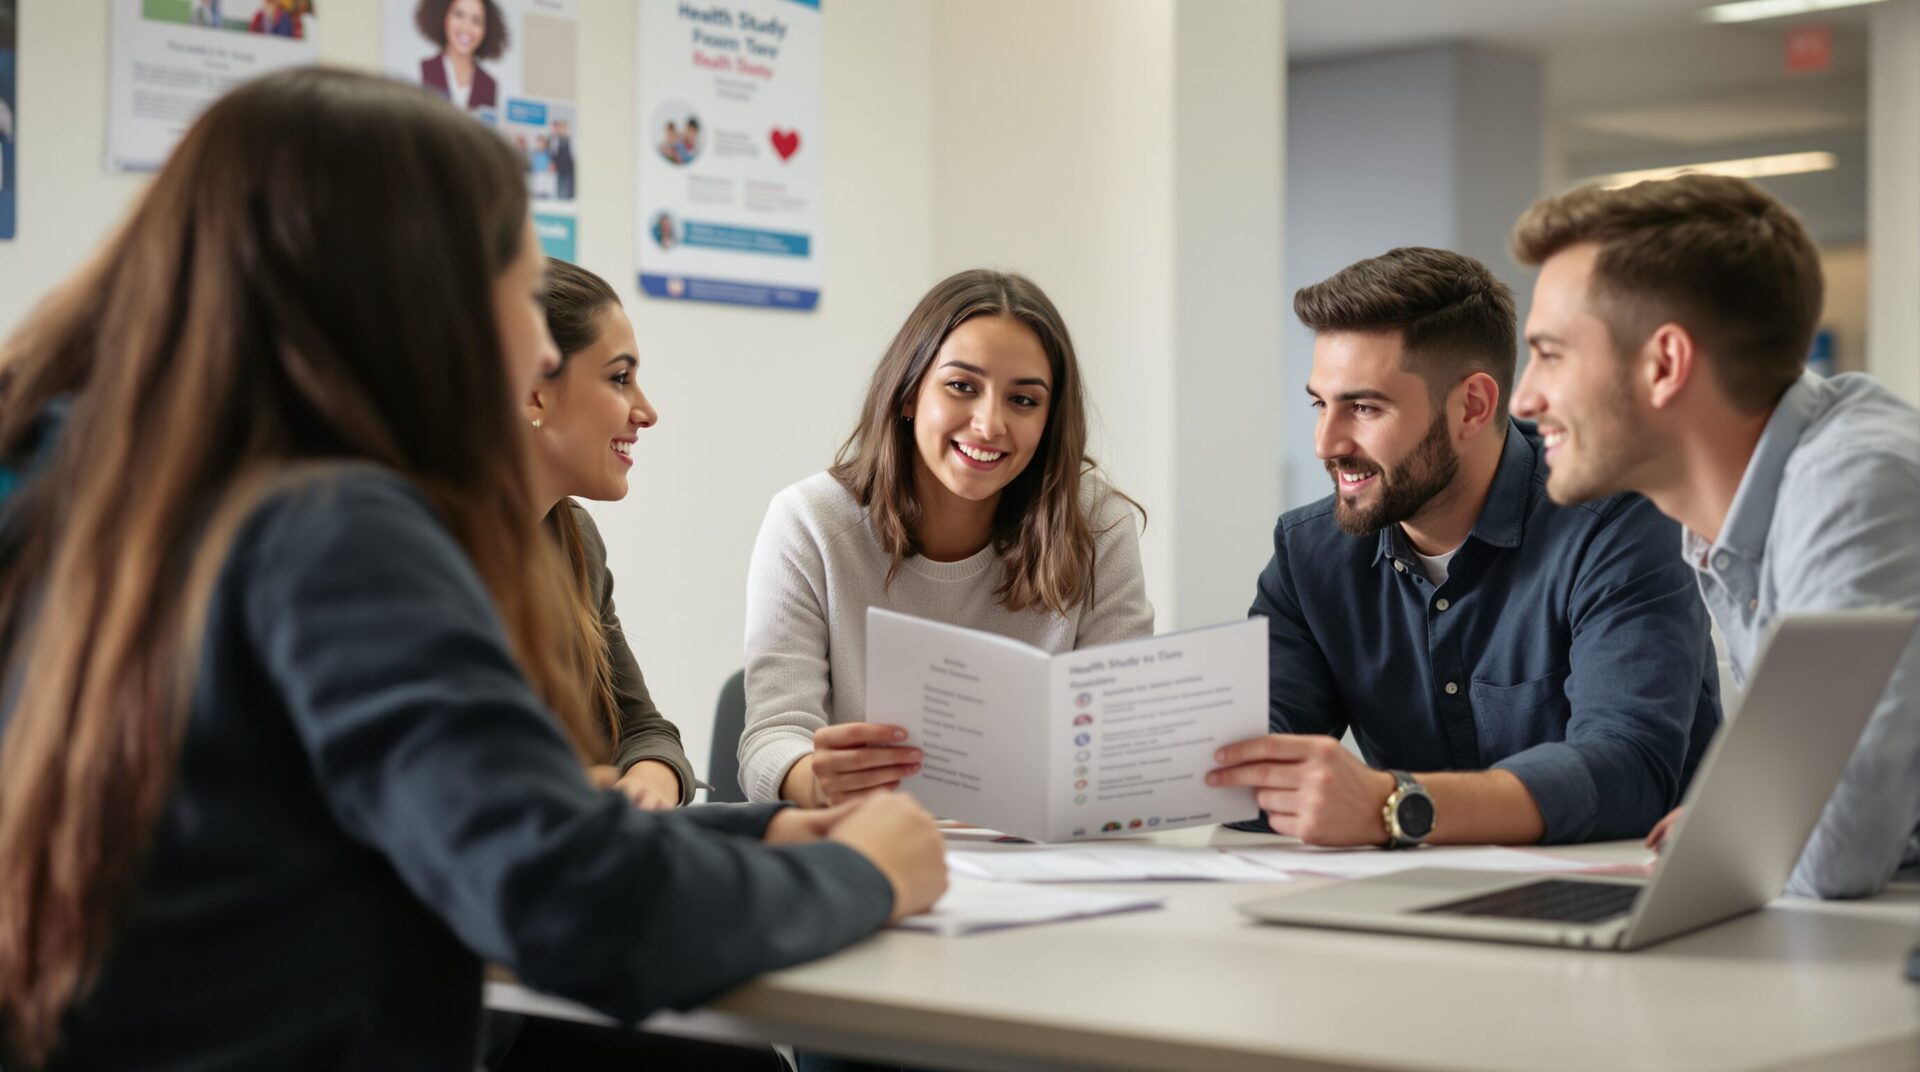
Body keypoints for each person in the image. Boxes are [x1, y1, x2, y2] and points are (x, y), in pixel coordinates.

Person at [0, 68, 945, 1072]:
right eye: (515, 285)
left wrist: (757, 835)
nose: (536, 340)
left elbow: (450, 826)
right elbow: (567, 898)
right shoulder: (332, 528)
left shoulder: (65, 477)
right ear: (413, 298)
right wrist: (863, 873)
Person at [1209, 247, 1720, 847]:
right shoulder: (1308, 554)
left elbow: (1628, 770)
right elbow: (1244, 765)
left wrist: (1394, 805)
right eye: (1321, 403)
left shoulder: (1617, 525)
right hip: (1408, 905)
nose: (1325, 443)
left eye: (1365, 407)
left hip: (1629, 900)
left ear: (1472, 406)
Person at [1509, 173, 1920, 898]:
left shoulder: (1853, 481)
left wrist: (1744, 827)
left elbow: (1831, 851)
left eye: (1550, 353)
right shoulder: (1734, 511)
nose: (1524, 397)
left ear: (1665, 364)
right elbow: (1792, 819)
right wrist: (1744, 823)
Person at [740, 269, 1154, 809]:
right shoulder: (810, 522)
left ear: (1050, 420)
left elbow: (1120, 741)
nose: (989, 424)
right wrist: (812, 775)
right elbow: (771, 739)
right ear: (910, 392)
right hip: (870, 844)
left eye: (1024, 401)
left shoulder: (1096, 524)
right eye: (962, 387)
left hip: (1041, 860)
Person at [523, 257, 694, 810]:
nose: (646, 412)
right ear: (534, 394)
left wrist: (646, 788)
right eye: (620, 378)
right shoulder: (419, 554)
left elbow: (644, 729)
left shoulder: (574, 539)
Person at [416, 0, 502, 112]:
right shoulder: (423, 70)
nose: (466, 28)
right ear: (444, 18)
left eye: (476, 21)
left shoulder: (489, 85)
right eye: (459, 15)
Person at [550, 118, 575, 200]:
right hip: (560, 166)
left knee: (569, 187)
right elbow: (553, 153)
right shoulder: (556, 139)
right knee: (560, 186)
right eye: (561, 128)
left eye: (565, 128)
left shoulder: (569, 139)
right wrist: (553, 163)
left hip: (569, 166)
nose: (563, 130)